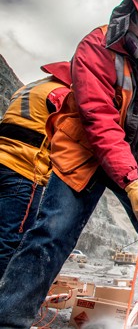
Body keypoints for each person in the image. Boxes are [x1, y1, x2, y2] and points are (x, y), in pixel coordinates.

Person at [0, 0, 138, 327]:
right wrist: (130, 182)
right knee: (53, 231)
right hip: (87, 153)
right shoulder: (96, 47)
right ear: (133, 11)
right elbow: (99, 121)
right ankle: (9, 319)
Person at [0, 61, 70, 279]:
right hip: (23, 170)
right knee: (11, 240)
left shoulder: (30, 87)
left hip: (3, 159)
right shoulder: (61, 94)